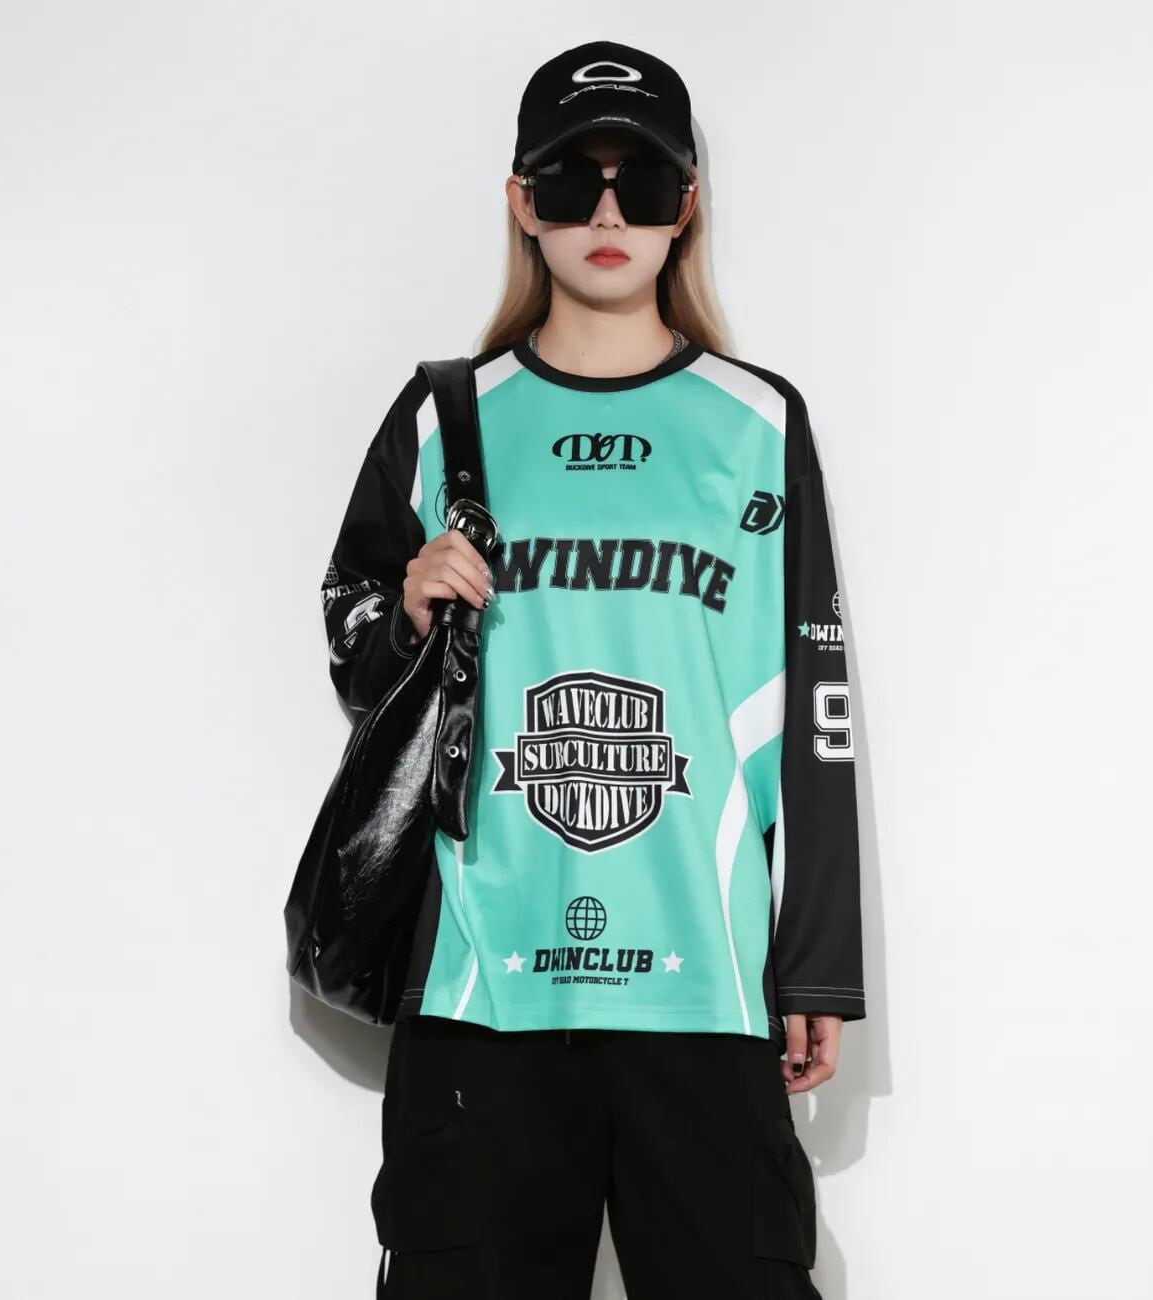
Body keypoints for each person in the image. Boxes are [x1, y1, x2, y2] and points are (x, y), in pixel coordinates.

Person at [320, 38, 865, 1300]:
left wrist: (816, 962)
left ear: (686, 205)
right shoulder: (442, 417)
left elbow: (818, 701)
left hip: (705, 977)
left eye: (641, 181)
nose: (606, 215)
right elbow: (352, 644)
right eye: (572, 181)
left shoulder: (758, 420)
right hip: (483, 983)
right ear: (524, 202)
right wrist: (406, 609)